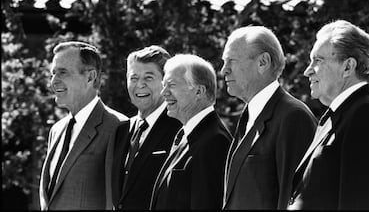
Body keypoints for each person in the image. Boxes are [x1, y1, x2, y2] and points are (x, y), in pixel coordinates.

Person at [288, 20, 369, 210]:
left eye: (318, 60)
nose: (307, 71)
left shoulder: (366, 113)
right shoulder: (342, 114)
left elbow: (363, 203)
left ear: (348, 67)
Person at [221, 26, 317, 209]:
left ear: (263, 62)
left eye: (231, 61)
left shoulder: (293, 117)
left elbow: (296, 199)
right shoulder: (249, 115)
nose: (223, 70)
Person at [39, 41, 128, 210]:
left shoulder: (117, 126)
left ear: (90, 77)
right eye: (53, 73)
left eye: (62, 73)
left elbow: (114, 203)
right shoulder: (56, 130)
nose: (54, 81)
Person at [150, 54, 232, 210]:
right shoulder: (186, 134)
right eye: (164, 85)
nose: (163, 93)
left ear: (199, 91)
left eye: (171, 85)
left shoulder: (215, 142)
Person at [106, 46, 181, 210]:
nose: (139, 85)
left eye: (148, 77)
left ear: (166, 82)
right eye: (133, 78)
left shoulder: (180, 129)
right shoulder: (122, 130)